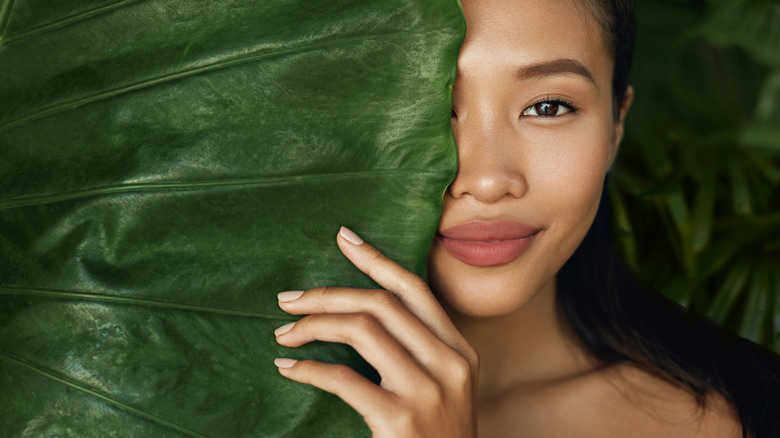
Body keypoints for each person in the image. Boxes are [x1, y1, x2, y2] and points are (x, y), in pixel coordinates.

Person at [270, 0, 780, 436]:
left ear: (616, 126)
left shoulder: (751, 412)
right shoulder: (225, 399)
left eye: (549, 107)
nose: (488, 180)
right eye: (427, 108)